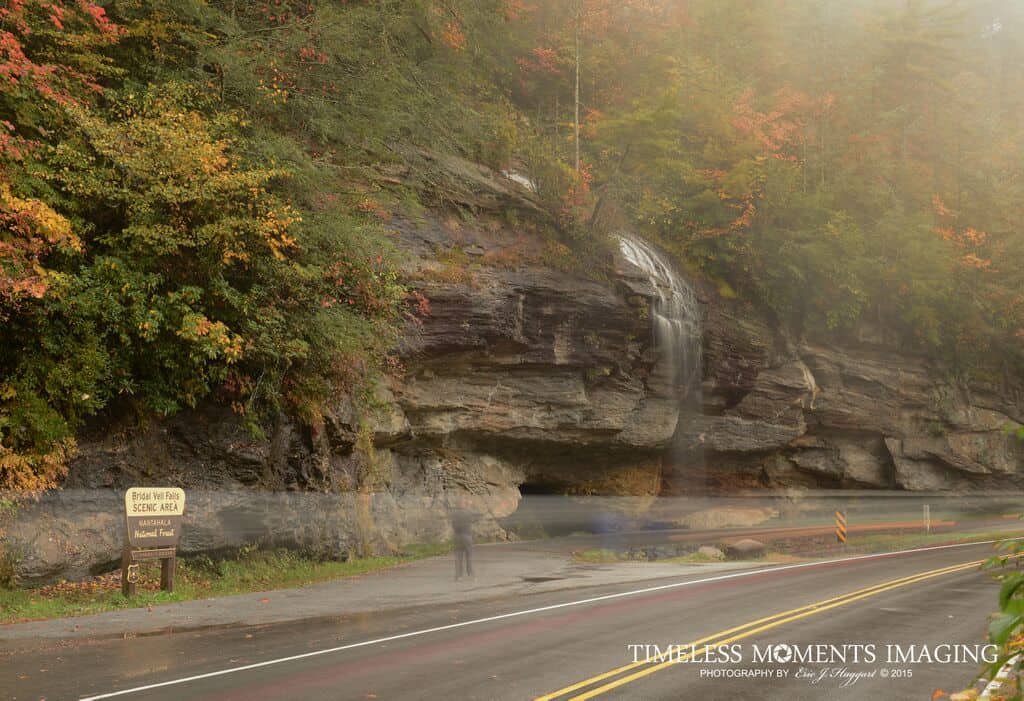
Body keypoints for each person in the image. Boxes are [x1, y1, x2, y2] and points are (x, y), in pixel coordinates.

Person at [451, 504, 475, 580]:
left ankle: (458, 575)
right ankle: (470, 574)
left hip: (457, 537)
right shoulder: (468, 513)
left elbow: (453, 525)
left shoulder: (454, 514)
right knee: (469, 556)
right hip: (467, 535)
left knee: (458, 557)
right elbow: (473, 520)